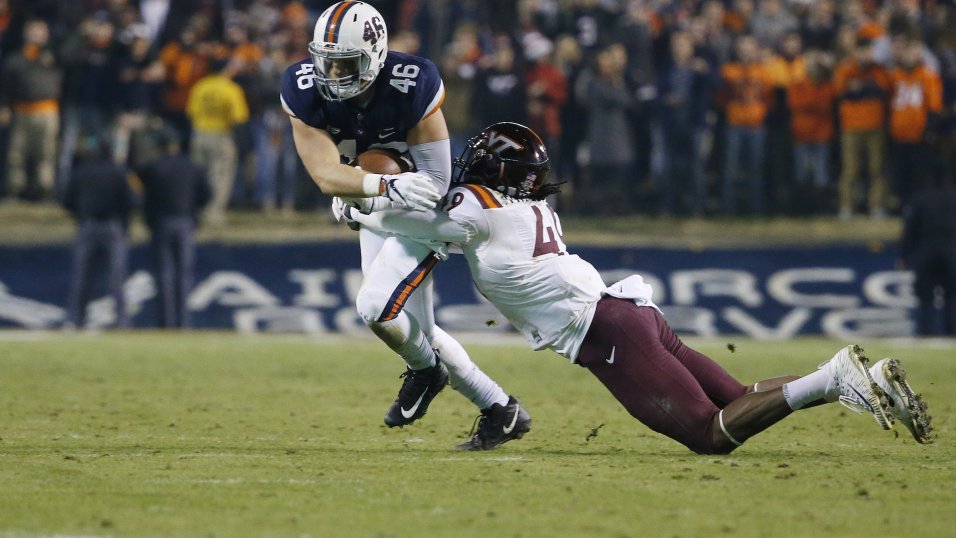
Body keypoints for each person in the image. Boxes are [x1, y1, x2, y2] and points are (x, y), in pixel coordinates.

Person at [346, 122, 933, 451]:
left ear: (496, 172)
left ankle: (834, 377)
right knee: (736, 395)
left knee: (712, 436)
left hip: (609, 332)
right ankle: (856, 381)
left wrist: (356, 206)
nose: (468, 161)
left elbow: (412, 217)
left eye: (480, 157)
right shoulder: (522, 209)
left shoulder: (478, 208)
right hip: (629, 314)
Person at [280, 1, 528, 440]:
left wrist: (372, 189)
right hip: (380, 202)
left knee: (377, 308)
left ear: (374, 55)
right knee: (415, 327)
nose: (332, 76)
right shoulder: (302, 88)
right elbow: (324, 175)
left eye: (345, 65)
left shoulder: (411, 81)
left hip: (418, 207)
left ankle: (426, 371)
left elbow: (435, 179)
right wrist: (365, 190)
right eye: (327, 63)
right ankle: (500, 408)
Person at [137, 130, 211, 328]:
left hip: (161, 223)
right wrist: (194, 211)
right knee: (183, 274)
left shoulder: (154, 167)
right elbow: (206, 195)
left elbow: (146, 197)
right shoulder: (192, 167)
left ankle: (166, 322)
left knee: (163, 274)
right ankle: (183, 322)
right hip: (185, 222)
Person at [62, 137, 137, 329]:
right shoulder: (119, 172)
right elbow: (132, 201)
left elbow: (66, 199)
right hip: (112, 226)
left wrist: (80, 215)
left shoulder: (81, 172)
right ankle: (122, 321)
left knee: (82, 276)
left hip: (87, 225)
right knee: (117, 277)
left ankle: (76, 319)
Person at [0, 19, 62, 202]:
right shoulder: (15, 59)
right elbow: (4, 85)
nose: (36, 35)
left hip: (47, 110)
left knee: (46, 153)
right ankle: (15, 189)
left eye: (40, 31)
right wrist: (3, 106)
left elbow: (73, 52)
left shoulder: (54, 56)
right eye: (33, 31)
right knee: (16, 153)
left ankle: (44, 190)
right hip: (21, 110)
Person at [186, 56, 250, 226]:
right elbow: (238, 119)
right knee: (219, 177)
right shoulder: (230, 88)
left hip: (199, 134)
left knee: (199, 176)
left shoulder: (200, 86)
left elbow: (190, 112)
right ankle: (213, 214)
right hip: (221, 135)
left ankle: (195, 211)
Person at [834, 37, 891, 220]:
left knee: (877, 169)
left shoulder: (879, 69)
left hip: (875, 125)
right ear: (855, 52)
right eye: (862, 51)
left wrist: (861, 89)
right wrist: (865, 89)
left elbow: (884, 90)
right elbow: (840, 92)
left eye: (868, 51)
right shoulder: (847, 68)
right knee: (850, 170)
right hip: (851, 126)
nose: (865, 55)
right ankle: (846, 207)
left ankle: (876, 207)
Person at [900, 174, 956, 337]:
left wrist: (904, 256)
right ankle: (952, 335)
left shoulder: (921, 199)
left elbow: (910, 231)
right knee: (953, 297)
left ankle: (927, 335)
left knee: (926, 299)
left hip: (926, 254)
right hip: (953, 254)